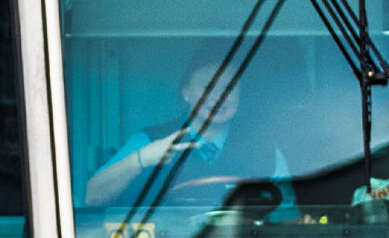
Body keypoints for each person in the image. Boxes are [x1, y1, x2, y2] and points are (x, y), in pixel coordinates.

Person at [84, 47, 288, 208]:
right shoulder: (149, 140)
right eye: (208, 87)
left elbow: (287, 216)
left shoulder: (264, 150)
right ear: (186, 93)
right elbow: (92, 197)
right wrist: (141, 159)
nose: (219, 98)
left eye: (229, 88)